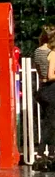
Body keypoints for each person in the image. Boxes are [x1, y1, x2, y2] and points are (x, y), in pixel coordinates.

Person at [33, 25, 55, 157]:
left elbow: (38, 70)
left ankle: (51, 152)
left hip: (42, 89)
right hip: (52, 89)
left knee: (49, 120)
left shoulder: (37, 51)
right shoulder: (52, 53)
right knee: (51, 123)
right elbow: (51, 75)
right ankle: (41, 152)